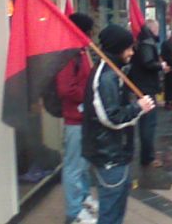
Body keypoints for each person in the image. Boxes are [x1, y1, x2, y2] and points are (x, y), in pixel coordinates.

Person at [82, 24, 155, 224]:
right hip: (110, 155)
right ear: (117, 48)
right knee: (110, 214)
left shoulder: (112, 71)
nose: (132, 52)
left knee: (115, 211)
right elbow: (111, 117)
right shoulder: (107, 76)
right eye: (129, 48)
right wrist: (138, 107)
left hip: (115, 152)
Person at [57, 13, 98, 224]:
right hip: (74, 120)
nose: (91, 35)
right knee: (73, 167)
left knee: (82, 165)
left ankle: (84, 199)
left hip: (83, 118)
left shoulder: (80, 52)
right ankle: (74, 213)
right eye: (89, 30)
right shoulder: (68, 56)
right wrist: (89, 97)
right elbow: (66, 89)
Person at [128, 19, 168, 168]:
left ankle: (148, 155)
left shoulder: (144, 42)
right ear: (153, 29)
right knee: (148, 124)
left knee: (148, 123)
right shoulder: (147, 44)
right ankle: (148, 158)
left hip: (143, 86)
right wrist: (161, 65)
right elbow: (148, 63)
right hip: (146, 88)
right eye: (157, 29)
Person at [160, 30, 172, 111]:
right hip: (169, 67)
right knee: (168, 86)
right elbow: (164, 55)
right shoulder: (166, 44)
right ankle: (168, 102)